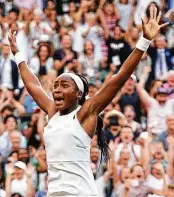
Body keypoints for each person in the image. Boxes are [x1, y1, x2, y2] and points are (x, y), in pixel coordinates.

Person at [8, 6, 168, 196]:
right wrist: (18, 54)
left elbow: (118, 79)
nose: (57, 89)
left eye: (64, 86)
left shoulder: (86, 112)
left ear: (78, 94)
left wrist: (144, 41)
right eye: (56, 85)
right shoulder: (52, 111)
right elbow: (33, 85)